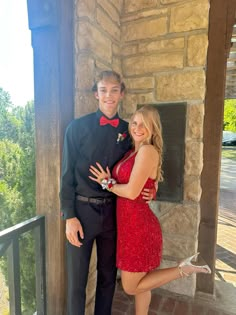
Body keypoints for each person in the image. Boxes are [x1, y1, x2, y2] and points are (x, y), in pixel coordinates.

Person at [89, 105, 211, 315]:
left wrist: (105, 183)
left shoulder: (147, 151)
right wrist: (151, 188)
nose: (137, 128)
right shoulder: (132, 151)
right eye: (134, 123)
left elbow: (130, 192)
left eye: (144, 125)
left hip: (138, 228)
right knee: (142, 283)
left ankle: (184, 269)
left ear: (153, 129)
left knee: (131, 286)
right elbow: (143, 183)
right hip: (130, 226)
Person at [60, 70, 154, 315]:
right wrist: (69, 216)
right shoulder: (76, 128)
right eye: (103, 90)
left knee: (108, 278)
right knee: (76, 283)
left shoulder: (130, 131)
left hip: (115, 214)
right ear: (96, 94)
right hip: (81, 213)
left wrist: (151, 188)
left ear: (121, 94)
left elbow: (145, 161)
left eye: (114, 90)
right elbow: (66, 176)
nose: (109, 96)